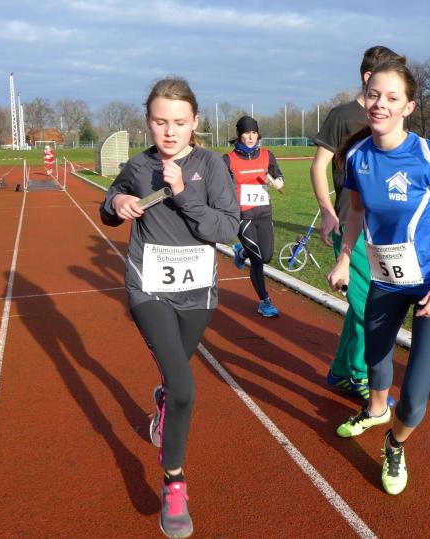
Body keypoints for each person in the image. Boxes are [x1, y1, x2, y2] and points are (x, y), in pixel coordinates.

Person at [327, 60, 430, 495]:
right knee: (375, 361)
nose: (380, 104)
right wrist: (344, 258)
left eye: (392, 98)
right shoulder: (357, 156)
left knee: (412, 397)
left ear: (408, 107)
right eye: (374, 95)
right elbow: (355, 213)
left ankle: (395, 443)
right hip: (386, 280)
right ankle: (376, 411)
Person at [99, 77, 239, 538]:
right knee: (185, 388)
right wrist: (118, 201)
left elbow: (227, 229)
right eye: (161, 121)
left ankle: (161, 401)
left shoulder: (211, 165)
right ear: (148, 122)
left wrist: (184, 195)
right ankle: (174, 483)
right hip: (149, 289)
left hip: (198, 294)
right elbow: (108, 205)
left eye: (179, 121)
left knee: (174, 382)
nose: (170, 130)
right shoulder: (138, 166)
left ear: (194, 122)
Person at [310, 45, 406, 401]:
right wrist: (327, 211)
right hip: (351, 223)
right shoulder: (343, 115)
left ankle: (340, 370)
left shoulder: (392, 114)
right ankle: (360, 374)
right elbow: (318, 166)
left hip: (385, 229)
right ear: (368, 77)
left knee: (362, 304)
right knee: (370, 306)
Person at [225, 115, 285, 317]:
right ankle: (265, 301)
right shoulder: (228, 160)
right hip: (244, 216)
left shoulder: (267, 155)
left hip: (264, 213)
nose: (251, 137)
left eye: (254, 133)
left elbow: (278, 176)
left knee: (266, 256)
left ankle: (241, 252)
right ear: (239, 135)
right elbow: (222, 188)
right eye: (246, 133)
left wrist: (278, 182)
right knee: (258, 259)